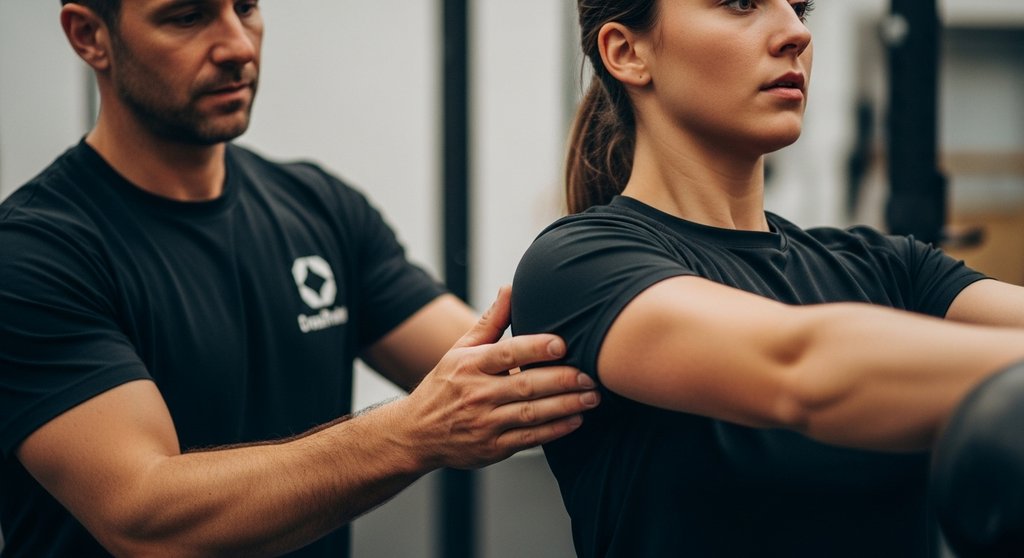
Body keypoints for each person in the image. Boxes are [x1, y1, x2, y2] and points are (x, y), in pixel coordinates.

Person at [0, 1, 601, 556]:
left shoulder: (318, 206)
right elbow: (143, 517)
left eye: (246, 7)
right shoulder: (35, 254)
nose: (237, 44)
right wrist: (407, 436)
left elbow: (515, 371)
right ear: (90, 36)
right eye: (187, 17)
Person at [510, 0, 1024, 556]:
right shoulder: (576, 266)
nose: (795, 33)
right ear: (627, 52)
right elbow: (802, 369)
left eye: (800, 7)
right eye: (740, 4)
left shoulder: (890, 268)